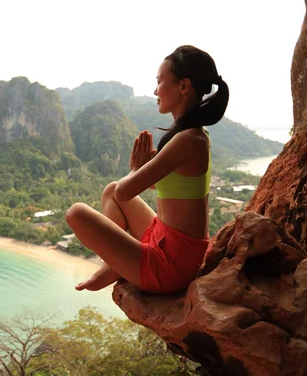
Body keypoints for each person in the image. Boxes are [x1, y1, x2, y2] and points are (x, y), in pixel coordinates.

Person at [66, 45, 229, 294]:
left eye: (160, 82)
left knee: (76, 213)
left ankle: (116, 265)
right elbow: (160, 186)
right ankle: (116, 264)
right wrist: (141, 170)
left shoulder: (188, 140)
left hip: (171, 267)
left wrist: (134, 169)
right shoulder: (192, 135)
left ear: (183, 86)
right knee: (110, 189)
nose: (155, 90)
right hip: (170, 242)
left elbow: (125, 193)